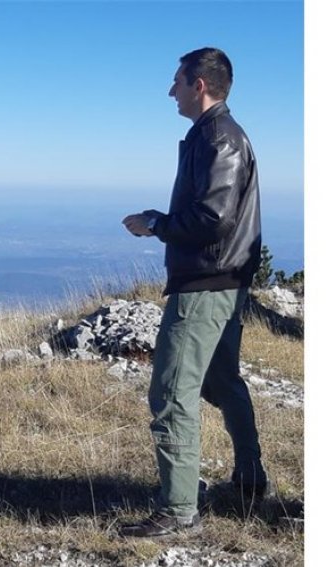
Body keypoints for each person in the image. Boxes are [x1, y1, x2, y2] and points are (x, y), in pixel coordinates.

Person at [120, 48, 268, 537]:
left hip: (206, 283)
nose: (171, 91)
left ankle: (179, 510)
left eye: (177, 82)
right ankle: (249, 480)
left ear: (198, 84)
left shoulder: (219, 137)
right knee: (222, 381)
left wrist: (156, 225)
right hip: (224, 279)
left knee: (171, 391)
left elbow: (214, 217)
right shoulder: (217, 135)